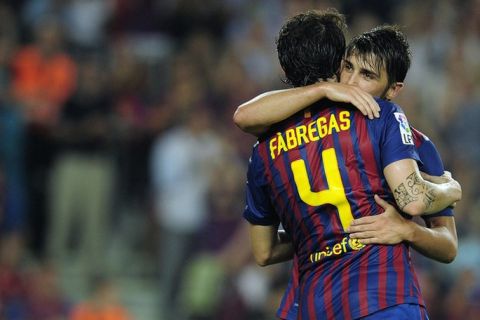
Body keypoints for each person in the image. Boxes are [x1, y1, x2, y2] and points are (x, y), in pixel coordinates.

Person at [237, 9, 461, 319]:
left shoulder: (263, 150)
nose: (353, 82)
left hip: (313, 306)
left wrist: (316, 232)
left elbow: (263, 252)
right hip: (385, 299)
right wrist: (450, 188)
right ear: (337, 63)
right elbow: (413, 200)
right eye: (348, 68)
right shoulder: (384, 119)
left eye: (367, 75)